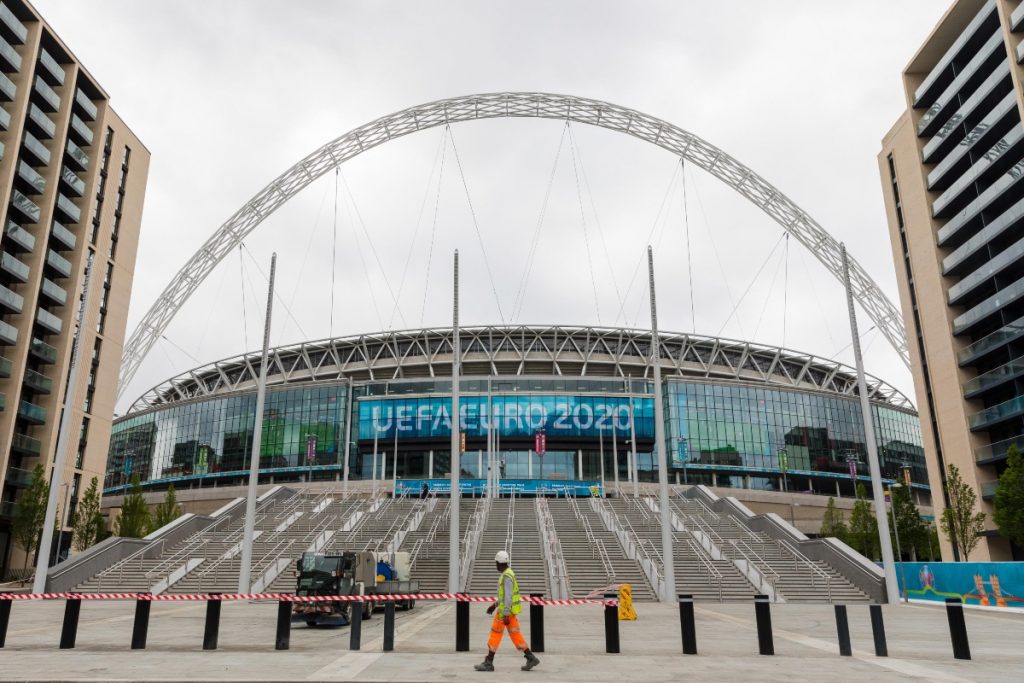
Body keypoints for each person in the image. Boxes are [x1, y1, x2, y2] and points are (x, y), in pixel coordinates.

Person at [475, 550, 540, 672]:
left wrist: (505, 613)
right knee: (515, 634)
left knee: (495, 633)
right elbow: (504, 596)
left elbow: (508, 596)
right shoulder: (508, 574)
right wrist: (495, 605)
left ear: (499, 563)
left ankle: (489, 662)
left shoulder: (506, 576)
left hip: (505, 613)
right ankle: (531, 657)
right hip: (509, 612)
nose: (496, 565)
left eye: (496, 563)